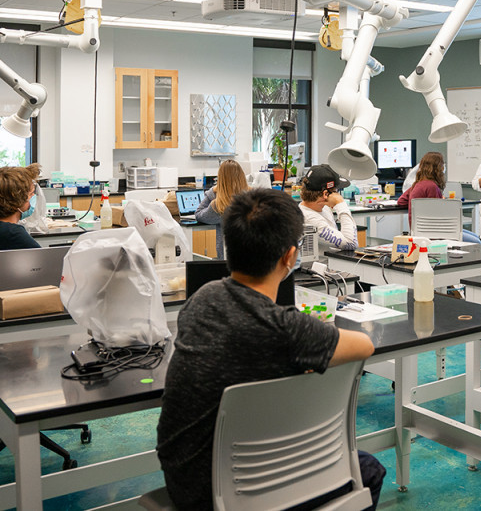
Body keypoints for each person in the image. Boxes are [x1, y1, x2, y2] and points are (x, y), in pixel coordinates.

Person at [156, 188, 383, 510]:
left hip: (187, 482)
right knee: (369, 470)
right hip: (240, 495)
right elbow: (364, 345)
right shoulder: (288, 329)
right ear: (290, 256)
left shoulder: (200, 301)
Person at [194, 159, 248, 257]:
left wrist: (213, 201)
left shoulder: (218, 202)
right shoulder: (253, 197)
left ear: (220, 178)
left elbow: (199, 215)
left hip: (227, 255)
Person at [299, 164, 358, 251]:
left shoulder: (323, 207)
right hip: (324, 263)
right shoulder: (309, 219)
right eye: (335, 191)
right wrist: (341, 204)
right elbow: (351, 243)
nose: (337, 194)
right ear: (325, 194)